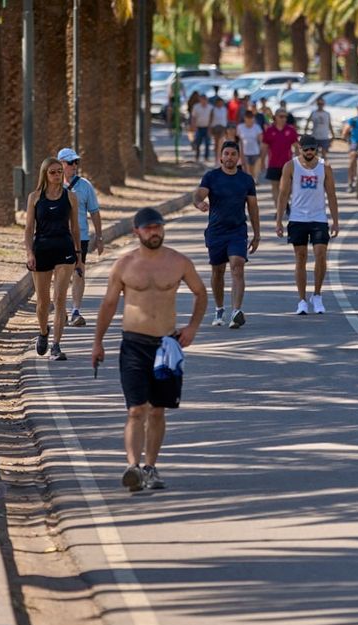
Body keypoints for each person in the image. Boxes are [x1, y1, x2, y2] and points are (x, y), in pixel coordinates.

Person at [91, 207, 208, 492]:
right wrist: (97, 342)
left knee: (157, 411)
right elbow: (109, 304)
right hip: (134, 344)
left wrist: (192, 327)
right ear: (137, 231)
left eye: (158, 227)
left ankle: (150, 468)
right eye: (148, 228)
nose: (154, 232)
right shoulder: (125, 265)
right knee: (136, 410)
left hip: (167, 346)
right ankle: (133, 467)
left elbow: (200, 293)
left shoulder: (178, 262)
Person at [194, 141, 261, 329]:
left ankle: (236, 311)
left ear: (238, 157)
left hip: (237, 231)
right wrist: (199, 203)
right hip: (216, 231)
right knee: (218, 271)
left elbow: (253, 208)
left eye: (233, 154)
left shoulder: (246, 180)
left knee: (237, 266)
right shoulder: (211, 177)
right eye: (226, 154)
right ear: (221, 157)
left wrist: (257, 234)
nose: (230, 157)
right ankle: (219, 309)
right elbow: (198, 195)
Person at [24, 157, 83, 360]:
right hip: (42, 250)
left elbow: (75, 228)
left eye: (59, 171)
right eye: (53, 172)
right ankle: (43, 332)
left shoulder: (70, 197)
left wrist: (78, 255)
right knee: (43, 302)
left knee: (59, 299)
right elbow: (29, 229)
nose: (57, 175)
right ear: (45, 174)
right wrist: (29, 253)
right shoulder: (34, 198)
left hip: (64, 249)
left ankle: (56, 346)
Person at [276, 135, 340, 315]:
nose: (310, 152)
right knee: (301, 257)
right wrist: (279, 221)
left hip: (319, 217)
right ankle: (302, 300)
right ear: (300, 149)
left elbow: (332, 194)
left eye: (313, 149)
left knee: (320, 254)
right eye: (306, 149)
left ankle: (317, 295)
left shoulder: (325, 167)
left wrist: (335, 221)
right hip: (297, 218)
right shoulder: (291, 166)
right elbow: (283, 194)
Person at [58, 147, 103, 327]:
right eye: (70, 162)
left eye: (76, 162)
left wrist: (99, 237)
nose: (74, 166)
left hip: (80, 237)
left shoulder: (85, 186)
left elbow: (94, 212)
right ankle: (60, 310)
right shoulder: (52, 185)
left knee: (79, 271)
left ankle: (75, 311)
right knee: (59, 274)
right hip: (58, 237)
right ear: (61, 163)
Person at [261, 108, 300, 211]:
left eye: (285, 117)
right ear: (275, 117)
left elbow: (296, 146)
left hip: (287, 164)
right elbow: (264, 147)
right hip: (273, 163)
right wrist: (262, 161)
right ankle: (279, 209)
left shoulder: (290, 130)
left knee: (288, 188)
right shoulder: (270, 130)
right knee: (275, 187)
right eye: (281, 116)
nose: (283, 119)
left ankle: (284, 203)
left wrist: (299, 161)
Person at [189, 92, 216, 162]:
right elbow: (193, 117)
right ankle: (197, 157)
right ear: (200, 100)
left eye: (205, 99)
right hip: (198, 127)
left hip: (207, 127)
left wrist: (210, 127)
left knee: (207, 143)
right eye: (202, 99)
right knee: (198, 142)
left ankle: (206, 157)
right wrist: (193, 126)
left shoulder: (210, 107)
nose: (204, 101)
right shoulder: (196, 107)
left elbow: (212, 117)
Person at [236, 110, 263, 177]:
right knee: (246, 172)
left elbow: (261, 141)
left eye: (251, 117)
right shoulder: (240, 127)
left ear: (253, 118)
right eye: (248, 117)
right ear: (245, 118)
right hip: (244, 153)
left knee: (254, 172)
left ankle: (253, 181)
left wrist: (261, 153)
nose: (249, 119)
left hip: (255, 152)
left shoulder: (257, 127)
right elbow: (238, 140)